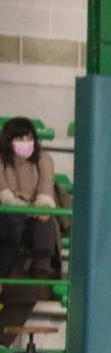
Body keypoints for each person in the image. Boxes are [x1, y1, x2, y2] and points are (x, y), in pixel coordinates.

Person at [0, 117, 59, 280]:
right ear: (8, 140)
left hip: (33, 211)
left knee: (46, 220)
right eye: (20, 139)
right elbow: (4, 196)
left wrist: (41, 207)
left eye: (29, 138)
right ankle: (4, 273)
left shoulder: (44, 159)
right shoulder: (1, 160)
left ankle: (41, 270)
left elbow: (46, 190)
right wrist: (27, 209)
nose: (26, 142)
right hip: (8, 213)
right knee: (12, 220)